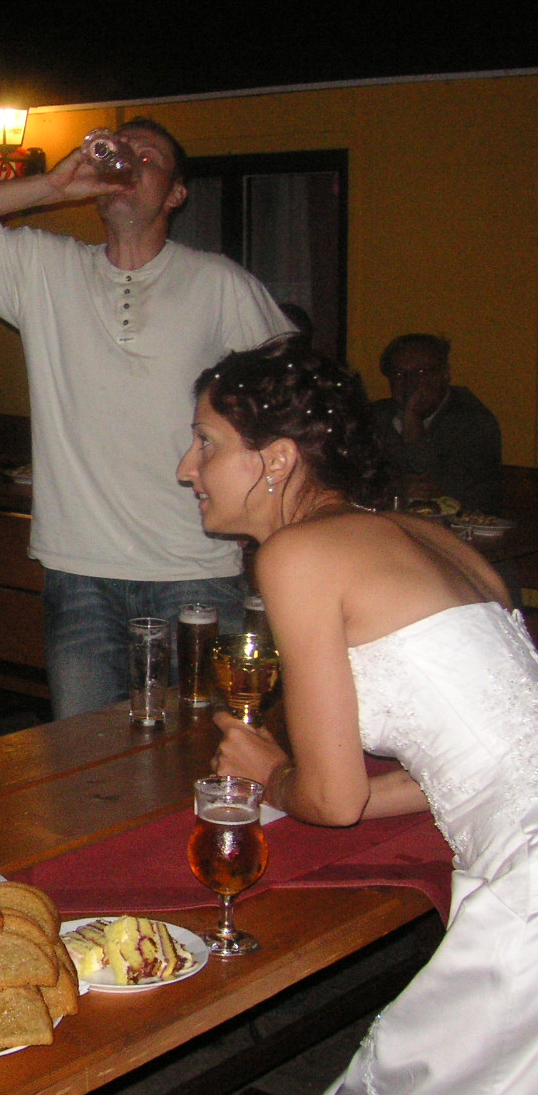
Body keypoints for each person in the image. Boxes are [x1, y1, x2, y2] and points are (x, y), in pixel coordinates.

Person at [183, 334, 538, 1095]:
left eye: (205, 443)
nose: (186, 468)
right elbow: (490, 756)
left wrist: (272, 773)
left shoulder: (300, 555)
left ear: (276, 459)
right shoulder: (434, 539)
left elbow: (333, 801)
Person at [0, 118, 291, 719]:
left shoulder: (218, 282)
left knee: (200, 749)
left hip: (194, 567)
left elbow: (292, 401)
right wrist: (54, 186)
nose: (130, 162)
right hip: (79, 570)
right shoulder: (45, 265)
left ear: (176, 194)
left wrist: (265, 511)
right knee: (83, 756)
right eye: (123, 151)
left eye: (150, 157)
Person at [370, 333, 503, 514]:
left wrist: (413, 421)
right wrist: (394, 488)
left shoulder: (473, 421)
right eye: (399, 374)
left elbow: (438, 488)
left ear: (445, 373)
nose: (410, 382)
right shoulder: (374, 416)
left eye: (421, 372)